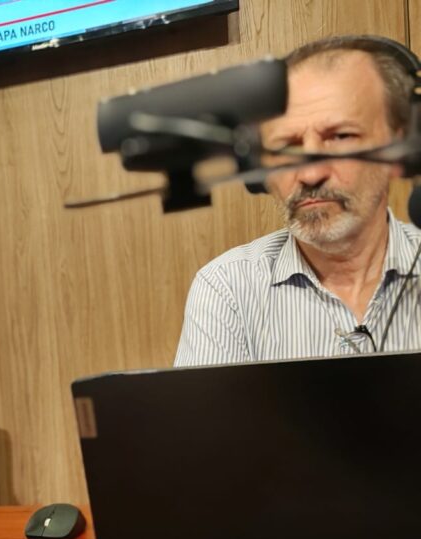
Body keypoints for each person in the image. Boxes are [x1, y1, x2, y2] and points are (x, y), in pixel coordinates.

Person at [175, 36, 421, 366]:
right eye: (286, 147)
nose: (310, 174)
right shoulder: (226, 290)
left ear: (402, 150)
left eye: (340, 136)